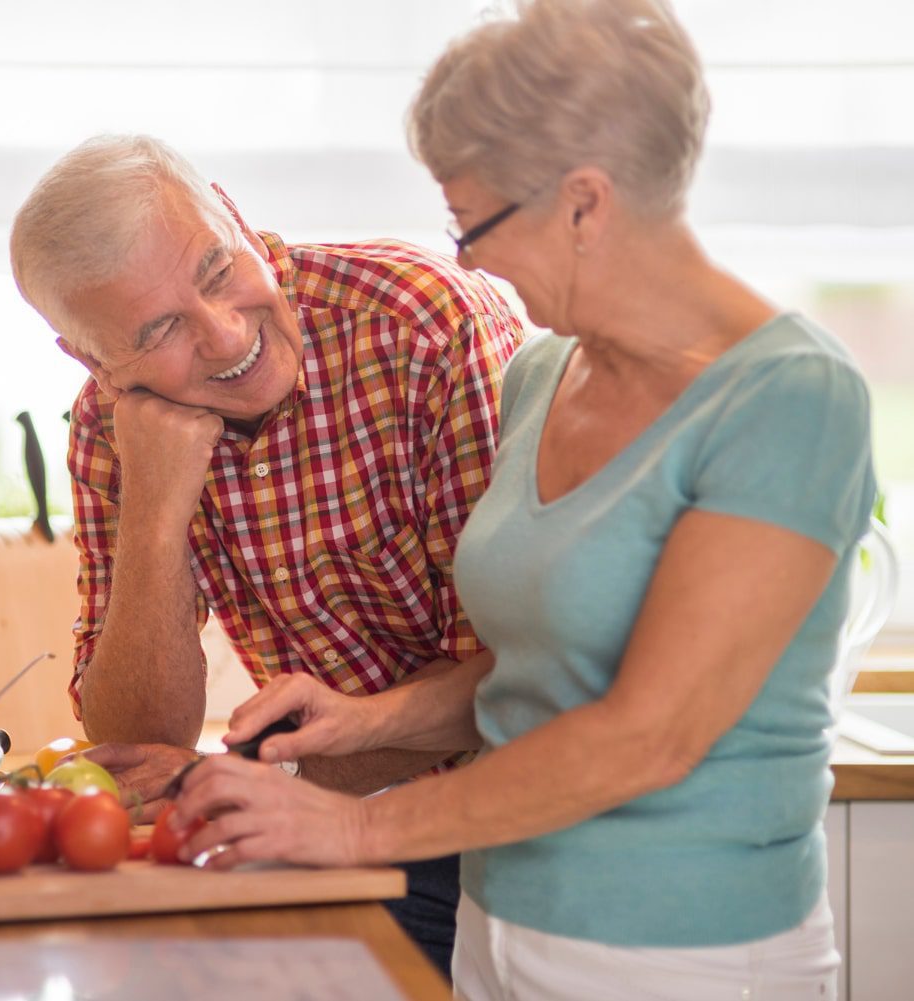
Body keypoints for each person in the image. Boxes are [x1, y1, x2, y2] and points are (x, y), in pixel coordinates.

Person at [171, 1, 878, 997]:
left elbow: (651, 731)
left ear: (585, 203)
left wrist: (359, 824)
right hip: (499, 925)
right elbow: (542, 670)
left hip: (689, 953)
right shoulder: (541, 376)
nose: (461, 257)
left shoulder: (790, 396)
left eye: (474, 221)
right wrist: (369, 722)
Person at [9, 135, 525, 975]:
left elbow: (516, 678)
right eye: (161, 328)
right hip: (333, 833)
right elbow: (138, 738)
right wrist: (155, 509)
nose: (223, 335)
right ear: (95, 362)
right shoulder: (113, 427)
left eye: (217, 271)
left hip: (517, 825)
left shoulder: (422, 327)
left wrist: (275, 781)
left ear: (237, 214)